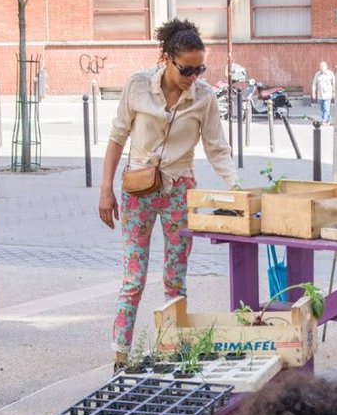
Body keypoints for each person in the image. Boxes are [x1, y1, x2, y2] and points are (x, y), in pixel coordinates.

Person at [99, 19, 240, 371]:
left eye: (199, 69)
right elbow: (117, 138)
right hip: (138, 191)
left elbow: (217, 148)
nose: (193, 76)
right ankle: (120, 355)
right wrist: (105, 190)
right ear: (166, 59)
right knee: (134, 277)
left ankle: (173, 351)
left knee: (176, 278)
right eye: (186, 69)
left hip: (179, 191)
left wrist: (236, 187)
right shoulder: (138, 86)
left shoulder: (204, 98)